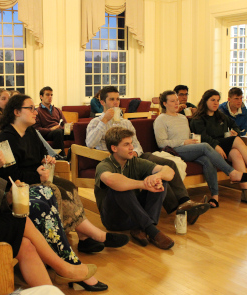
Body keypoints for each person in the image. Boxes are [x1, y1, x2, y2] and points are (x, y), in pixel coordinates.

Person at [0, 103, 107, 292]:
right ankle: (63, 267)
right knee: (21, 221)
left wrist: (9, 195)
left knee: (26, 244)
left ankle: (50, 293)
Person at [0, 94, 130, 254]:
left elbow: (42, 155)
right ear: (16, 112)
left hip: (40, 176)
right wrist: (36, 175)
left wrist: (47, 160)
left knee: (69, 186)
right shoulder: (5, 138)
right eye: (30, 108)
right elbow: (9, 174)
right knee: (57, 192)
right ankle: (95, 236)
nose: (35, 112)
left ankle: (84, 238)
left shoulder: (30, 132)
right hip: (20, 186)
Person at [86, 86, 209, 221]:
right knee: (156, 174)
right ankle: (182, 212)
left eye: (118, 99)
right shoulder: (96, 122)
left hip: (135, 157)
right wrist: (104, 121)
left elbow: (137, 145)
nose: (116, 103)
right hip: (116, 160)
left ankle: (185, 202)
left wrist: (136, 154)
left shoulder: (126, 123)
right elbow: (90, 144)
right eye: (112, 99)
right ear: (102, 102)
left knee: (169, 164)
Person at [154, 90, 247, 208]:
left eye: (177, 100)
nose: (176, 103)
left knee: (207, 160)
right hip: (174, 150)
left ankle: (215, 197)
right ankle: (232, 173)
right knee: (205, 146)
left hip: (189, 148)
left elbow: (188, 135)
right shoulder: (161, 119)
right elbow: (161, 143)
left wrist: (191, 140)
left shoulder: (182, 118)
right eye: (172, 101)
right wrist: (184, 142)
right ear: (165, 104)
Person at [190, 89, 247, 206]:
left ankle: (245, 192)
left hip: (223, 145)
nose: (216, 103)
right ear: (205, 101)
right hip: (210, 148)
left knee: (237, 154)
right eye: (212, 100)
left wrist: (235, 132)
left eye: (217, 100)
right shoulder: (198, 119)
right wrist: (216, 146)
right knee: (236, 141)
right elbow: (203, 137)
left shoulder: (220, 116)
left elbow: (235, 126)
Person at [95, 127, 175, 250]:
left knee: (161, 181)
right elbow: (111, 180)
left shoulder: (135, 162)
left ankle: (143, 228)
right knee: (120, 187)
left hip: (136, 215)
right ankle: (152, 231)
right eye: (126, 144)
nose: (132, 147)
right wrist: (144, 184)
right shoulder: (104, 165)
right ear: (114, 148)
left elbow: (169, 171)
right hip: (114, 220)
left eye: (131, 143)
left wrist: (157, 177)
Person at [33, 86, 73, 157]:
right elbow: (37, 129)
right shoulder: (37, 111)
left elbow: (64, 124)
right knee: (58, 132)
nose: (50, 97)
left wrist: (69, 127)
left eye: (51, 95)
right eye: (47, 95)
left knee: (76, 131)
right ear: (41, 96)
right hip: (47, 133)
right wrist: (51, 129)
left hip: (59, 131)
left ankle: (78, 156)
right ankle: (60, 157)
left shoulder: (57, 110)